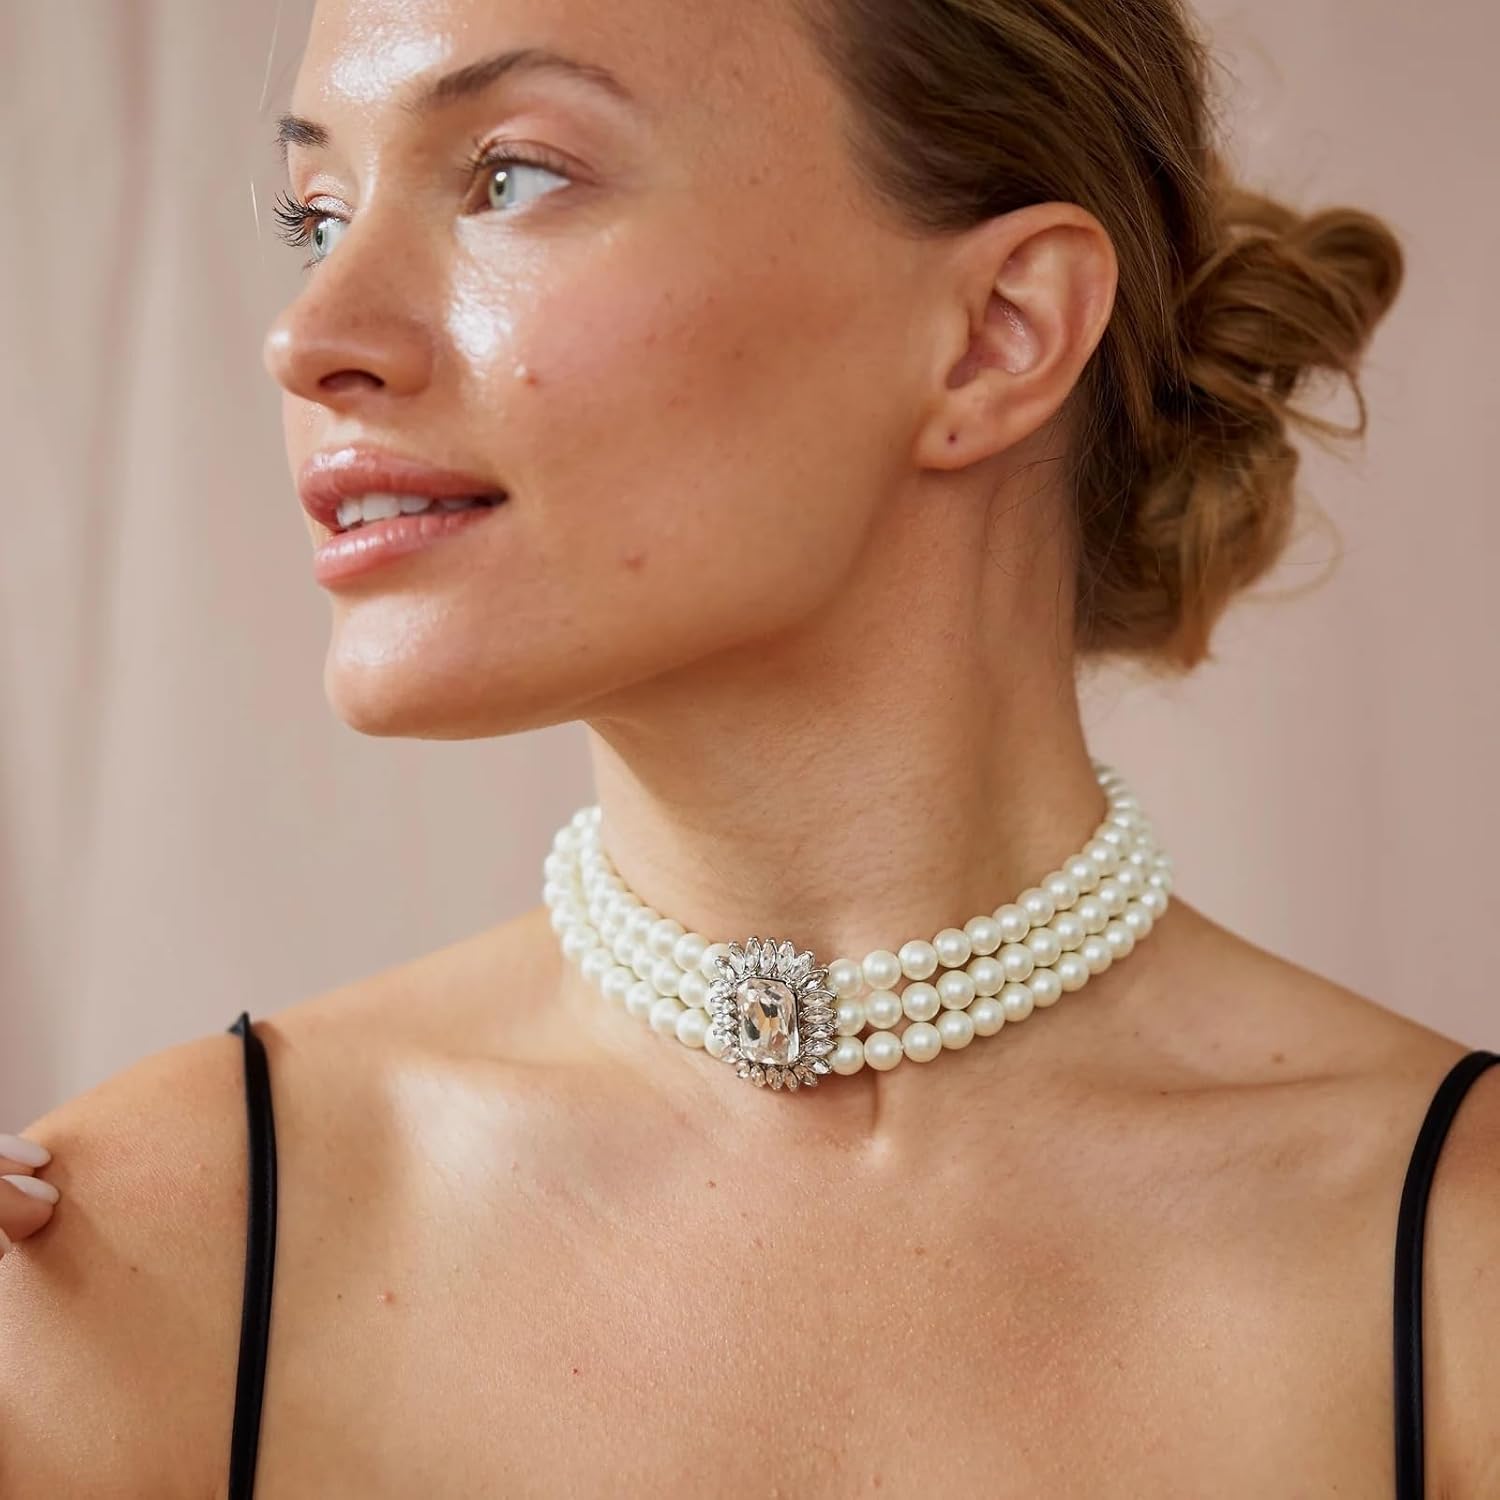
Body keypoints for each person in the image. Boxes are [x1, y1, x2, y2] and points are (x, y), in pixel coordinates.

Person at [1, 0, 1495, 1494]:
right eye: (316, 215)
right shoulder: (142, 1262)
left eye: (511, 177)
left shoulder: (1457, 1268)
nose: (309, 335)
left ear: (998, 332)